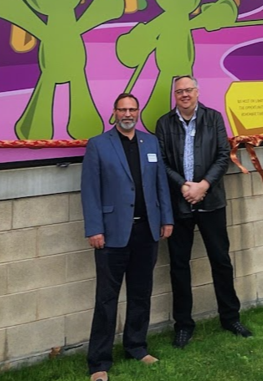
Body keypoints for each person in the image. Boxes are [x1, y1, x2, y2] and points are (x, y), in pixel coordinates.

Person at [81, 93, 174, 381]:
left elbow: (161, 184)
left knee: (140, 293)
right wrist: (94, 228)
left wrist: (166, 218)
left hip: (147, 231)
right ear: (114, 112)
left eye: (132, 109)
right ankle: (99, 362)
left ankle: (136, 346)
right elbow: (90, 191)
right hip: (112, 234)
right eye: (122, 109)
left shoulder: (150, 142)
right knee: (107, 299)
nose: (127, 114)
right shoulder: (98, 145)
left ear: (138, 111)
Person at [155, 75, 253, 349]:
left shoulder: (213, 118)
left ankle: (230, 318)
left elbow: (224, 155)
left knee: (221, 261)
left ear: (197, 92)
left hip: (211, 202)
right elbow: (161, 161)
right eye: (179, 91)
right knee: (179, 266)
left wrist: (204, 186)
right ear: (174, 95)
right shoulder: (164, 124)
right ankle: (184, 325)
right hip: (180, 203)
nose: (184, 95)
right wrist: (184, 186)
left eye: (188, 90)